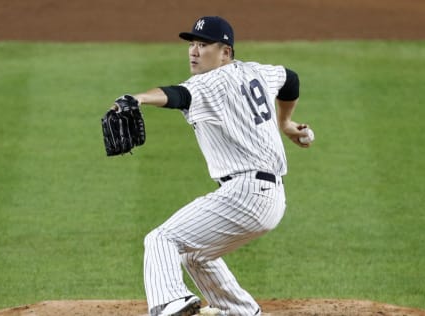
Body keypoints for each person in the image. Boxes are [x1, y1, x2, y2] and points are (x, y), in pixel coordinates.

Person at [115, 16, 311, 316]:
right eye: (192, 44)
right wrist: (285, 123)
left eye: (204, 45)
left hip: (246, 192)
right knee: (196, 255)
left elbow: (179, 95)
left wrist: (139, 98)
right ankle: (244, 312)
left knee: (161, 239)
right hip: (270, 196)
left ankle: (170, 301)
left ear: (225, 52)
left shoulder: (210, 82)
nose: (194, 51)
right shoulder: (256, 71)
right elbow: (291, 79)